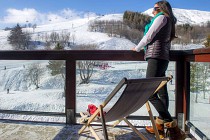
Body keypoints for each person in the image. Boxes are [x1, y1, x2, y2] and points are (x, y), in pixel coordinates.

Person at [132, 1, 185, 139]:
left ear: (161, 8)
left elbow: (149, 35)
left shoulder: (162, 18)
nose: (152, 12)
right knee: (162, 92)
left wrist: (137, 48)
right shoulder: (169, 21)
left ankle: (174, 130)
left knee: (149, 93)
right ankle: (160, 125)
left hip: (155, 57)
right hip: (163, 58)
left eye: (154, 9)